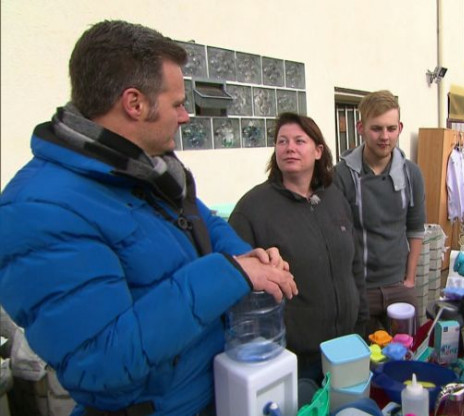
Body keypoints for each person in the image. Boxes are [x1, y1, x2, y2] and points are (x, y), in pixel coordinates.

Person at [0, 20, 298, 416]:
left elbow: (201, 223)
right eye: (177, 103)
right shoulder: (39, 209)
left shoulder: (147, 171)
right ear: (135, 103)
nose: (185, 116)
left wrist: (248, 258)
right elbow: (100, 361)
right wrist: (230, 273)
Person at [228, 112, 367, 383]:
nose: (289, 147)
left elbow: (354, 265)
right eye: (282, 141)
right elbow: (236, 286)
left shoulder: (335, 198)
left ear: (318, 151)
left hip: (346, 345)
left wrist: (361, 321)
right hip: (295, 359)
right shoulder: (252, 209)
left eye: (299, 141)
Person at [334, 90, 426, 335]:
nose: (385, 136)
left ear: (400, 128)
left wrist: (410, 280)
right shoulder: (341, 175)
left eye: (391, 128)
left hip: (399, 285)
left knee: (410, 348)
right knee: (361, 353)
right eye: (376, 128)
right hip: (359, 287)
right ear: (361, 128)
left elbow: (416, 229)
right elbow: (335, 235)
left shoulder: (412, 174)